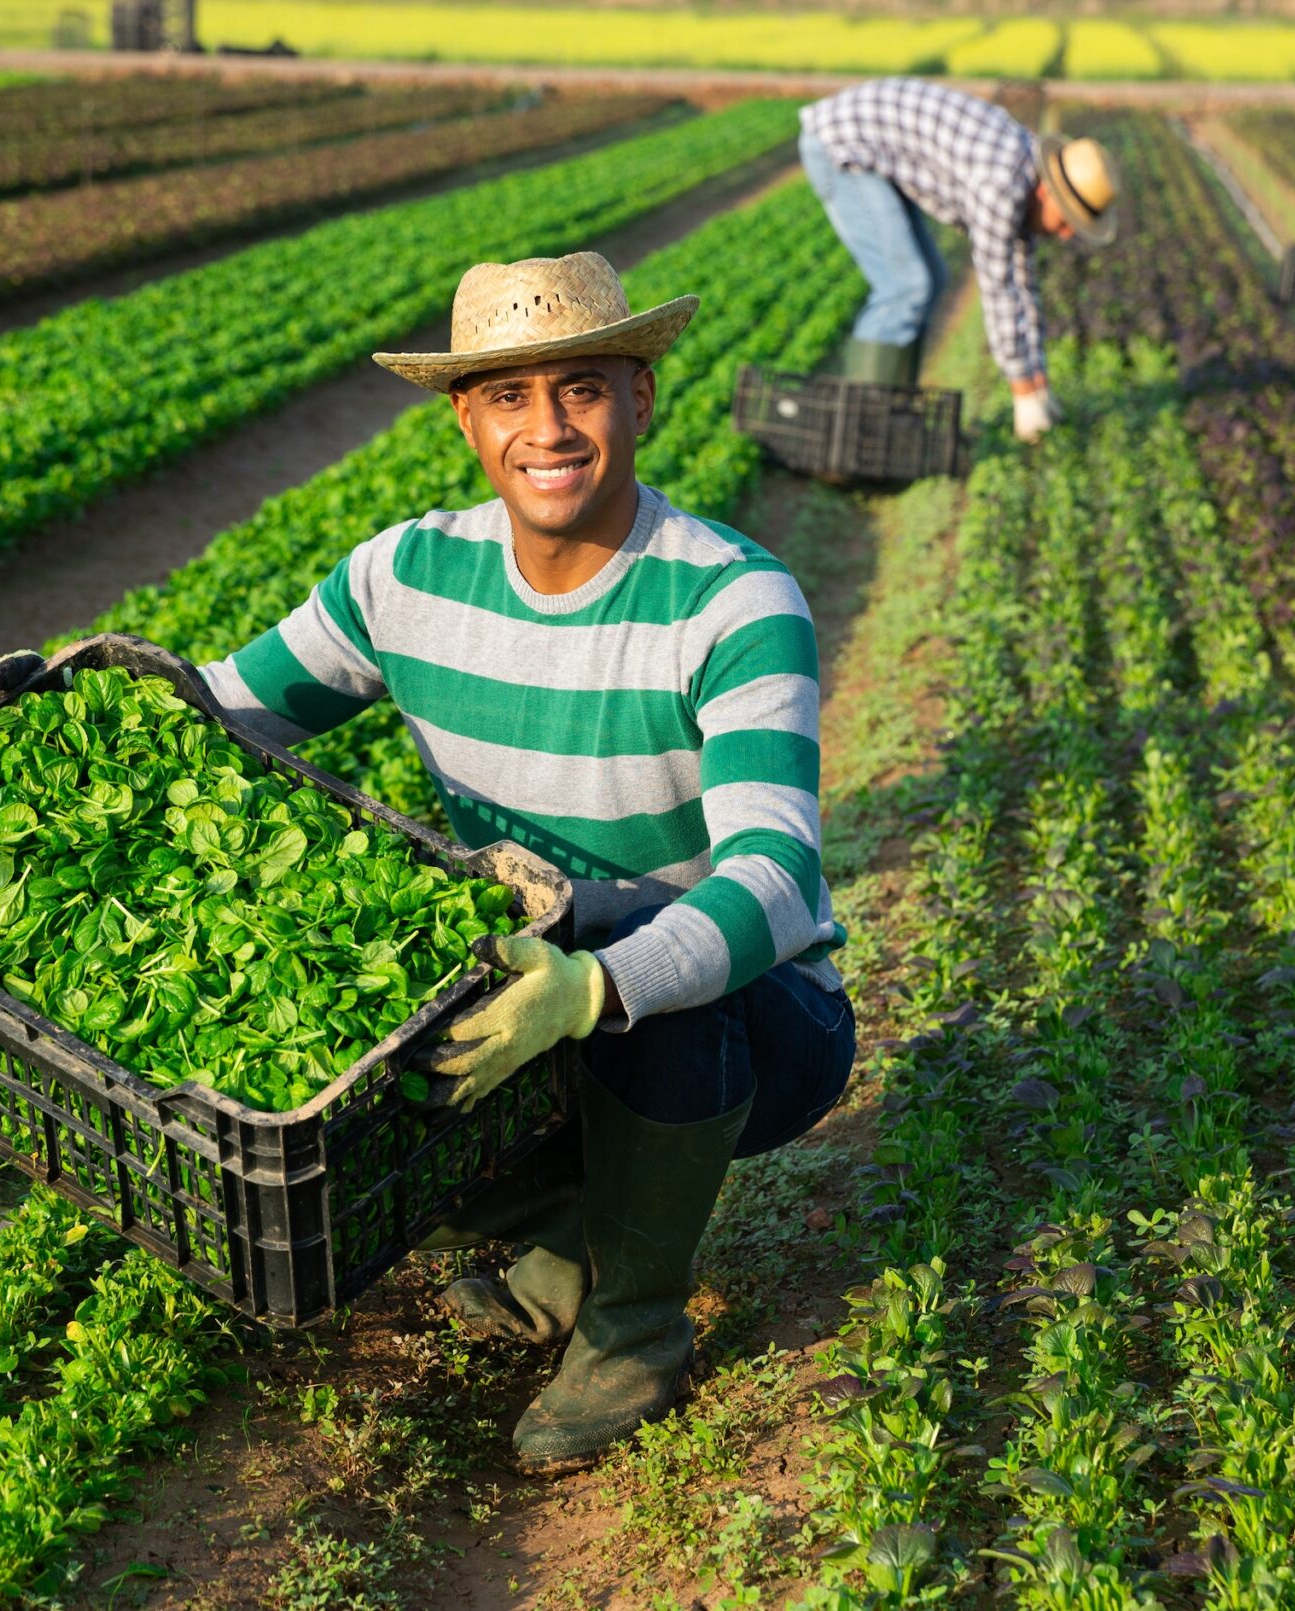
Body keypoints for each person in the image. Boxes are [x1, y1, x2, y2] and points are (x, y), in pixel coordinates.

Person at [202, 252, 854, 1476]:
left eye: (583, 389)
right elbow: (226, 718)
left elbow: (772, 877)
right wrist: (76, 702)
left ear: (642, 398)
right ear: (465, 417)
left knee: (615, 936)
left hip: (759, 1025)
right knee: (356, 968)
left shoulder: (731, 601)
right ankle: (571, 1233)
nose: (546, 429)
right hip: (535, 963)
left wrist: (593, 992)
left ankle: (632, 1329)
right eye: (508, 395)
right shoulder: (401, 579)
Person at [797, 77, 1119, 444]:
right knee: (904, 287)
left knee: (930, 278)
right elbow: (999, 292)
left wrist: (1039, 383)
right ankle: (857, 433)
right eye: (1066, 221)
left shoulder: (1025, 178)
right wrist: (1023, 394)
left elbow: (1022, 287)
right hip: (840, 146)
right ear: (1047, 191)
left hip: (872, 146)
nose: (1065, 234)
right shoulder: (1001, 183)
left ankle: (889, 419)